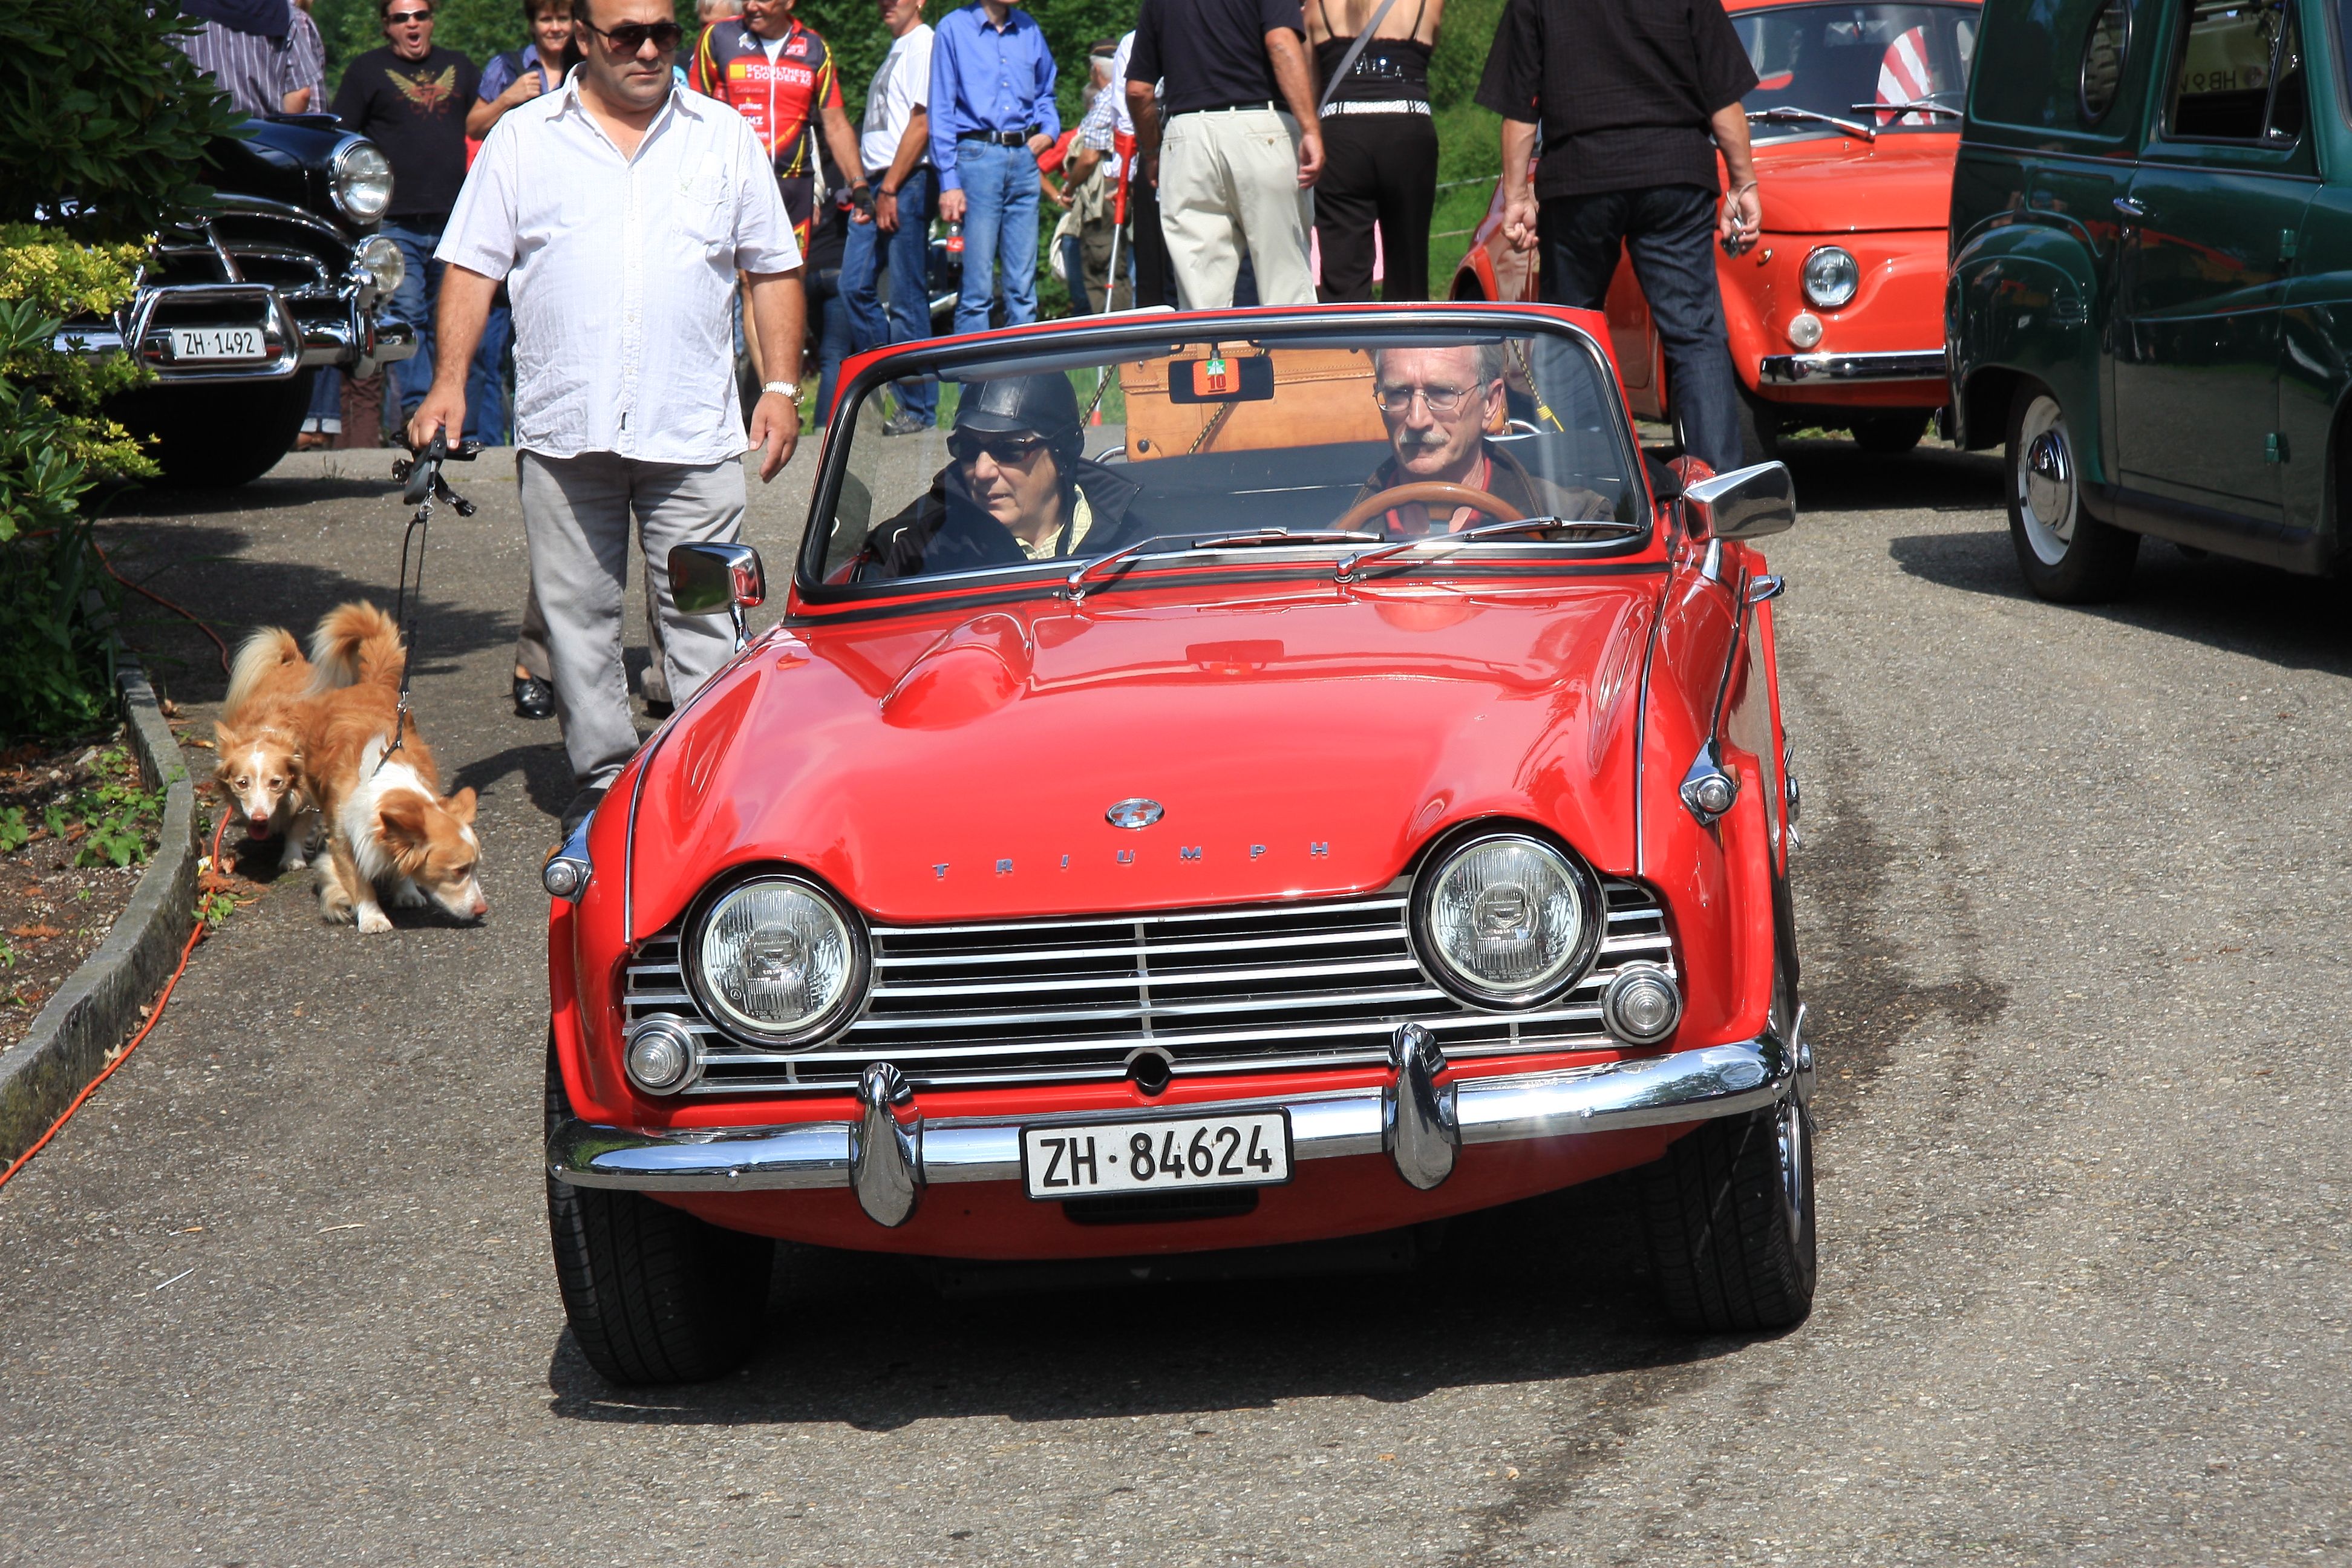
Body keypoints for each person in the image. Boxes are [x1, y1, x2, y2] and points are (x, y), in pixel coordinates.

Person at [410, 0, 808, 834]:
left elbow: (770, 268)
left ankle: (710, 799)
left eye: (664, 31)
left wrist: (779, 388)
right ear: (583, 38)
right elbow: (472, 265)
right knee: (578, 625)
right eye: (627, 34)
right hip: (566, 431)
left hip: (693, 434)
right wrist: (448, 383)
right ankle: (607, 796)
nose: (651, 49)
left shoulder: (723, 135)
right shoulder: (523, 139)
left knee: (707, 619)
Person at [1478, 0, 1760, 476]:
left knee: (1568, 332)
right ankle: (1716, 500)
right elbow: (1722, 98)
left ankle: (1575, 491)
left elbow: (1520, 112)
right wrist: (1743, 183)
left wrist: (1517, 197)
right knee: (1695, 337)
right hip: (1673, 169)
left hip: (1580, 177)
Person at [332, 0, 482, 435]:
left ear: (432, 21)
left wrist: (509, 98)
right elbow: (343, 137)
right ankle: (419, 413)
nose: (412, 24)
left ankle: (454, 412)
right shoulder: (366, 71)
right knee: (409, 318)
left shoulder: (460, 65)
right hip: (394, 221)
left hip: (454, 219)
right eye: (401, 18)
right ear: (386, 27)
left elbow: (482, 123)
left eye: (420, 15)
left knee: (450, 321)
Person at [1127, 0, 1322, 311]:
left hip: (1184, 135)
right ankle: (1292, 357)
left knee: (1200, 300)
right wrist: (1310, 128)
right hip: (1261, 126)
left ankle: (1207, 358)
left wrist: (1151, 153)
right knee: (1285, 285)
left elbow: (1138, 90)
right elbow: (1281, 44)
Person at [861, 374, 1152, 578]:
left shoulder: (1134, 540)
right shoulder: (922, 553)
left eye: (1009, 449)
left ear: (1063, 451)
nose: (982, 470)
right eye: (968, 448)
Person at [1348, 344, 1612, 532]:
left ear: (1491, 403)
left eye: (1442, 393)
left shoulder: (1573, 527)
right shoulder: (1334, 543)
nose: (1417, 419)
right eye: (1398, 394)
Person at [690, 0, 870, 254]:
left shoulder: (814, 47)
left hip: (795, 186)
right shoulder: (718, 36)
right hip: (738, 181)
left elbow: (836, 124)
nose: (751, 6)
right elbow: (695, 111)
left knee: (793, 280)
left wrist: (858, 185)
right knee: (749, 283)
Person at [840, 0, 939, 436]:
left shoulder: (923, 44)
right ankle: (890, 392)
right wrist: (867, 188)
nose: (886, 3)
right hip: (877, 185)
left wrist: (893, 187)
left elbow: (922, 124)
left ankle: (918, 408)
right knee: (853, 286)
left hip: (907, 181)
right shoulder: (897, 48)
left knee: (906, 297)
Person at [929, 0, 1059, 334]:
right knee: (977, 288)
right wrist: (949, 182)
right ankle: (975, 384)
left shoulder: (1029, 29)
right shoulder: (952, 29)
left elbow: (1046, 91)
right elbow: (940, 109)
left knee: (1024, 290)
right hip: (976, 157)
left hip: (1024, 159)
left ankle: (1022, 383)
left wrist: (1049, 130)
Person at [1307, 0, 1442, 302]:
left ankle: (1345, 344)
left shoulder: (1317, 9)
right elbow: (1428, 49)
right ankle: (1406, 342)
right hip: (1408, 132)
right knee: (1409, 267)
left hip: (1341, 137)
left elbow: (1311, 85)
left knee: (1342, 272)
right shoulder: (1428, 4)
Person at [170, 0, 328, 120]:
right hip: (260, 150)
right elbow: (301, 95)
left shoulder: (160, 10)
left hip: (181, 146)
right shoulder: (281, 12)